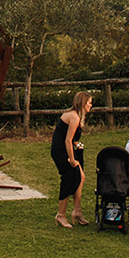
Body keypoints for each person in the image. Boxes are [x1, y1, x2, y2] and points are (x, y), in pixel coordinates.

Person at [52, 90, 91, 228]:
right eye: (89, 103)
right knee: (69, 179)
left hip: (67, 149)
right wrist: (72, 159)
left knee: (81, 177)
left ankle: (77, 211)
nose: (91, 106)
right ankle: (61, 215)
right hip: (61, 152)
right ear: (83, 103)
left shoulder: (76, 116)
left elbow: (71, 139)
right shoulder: (74, 117)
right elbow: (67, 141)